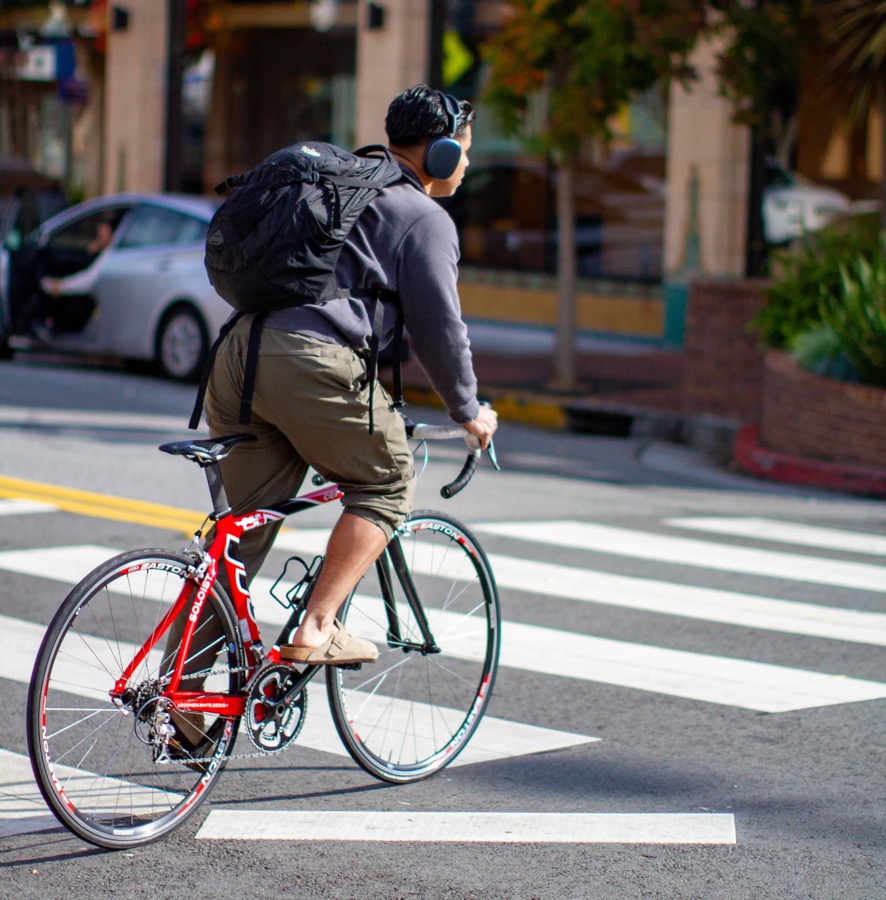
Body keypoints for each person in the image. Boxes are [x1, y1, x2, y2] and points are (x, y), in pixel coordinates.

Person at [201, 84, 497, 668]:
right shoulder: (423, 216)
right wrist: (467, 409)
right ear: (440, 153)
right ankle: (317, 626)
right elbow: (440, 328)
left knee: (241, 534)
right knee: (387, 480)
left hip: (238, 352)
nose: (468, 161)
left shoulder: (341, 185)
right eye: (465, 148)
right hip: (309, 361)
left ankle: (179, 697)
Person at [31, 213, 116, 340]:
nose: (100, 233)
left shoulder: (111, 255)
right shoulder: (102, 251)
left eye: (104, 229)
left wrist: (60, 286)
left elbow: (88, 281)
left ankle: (52, 327)